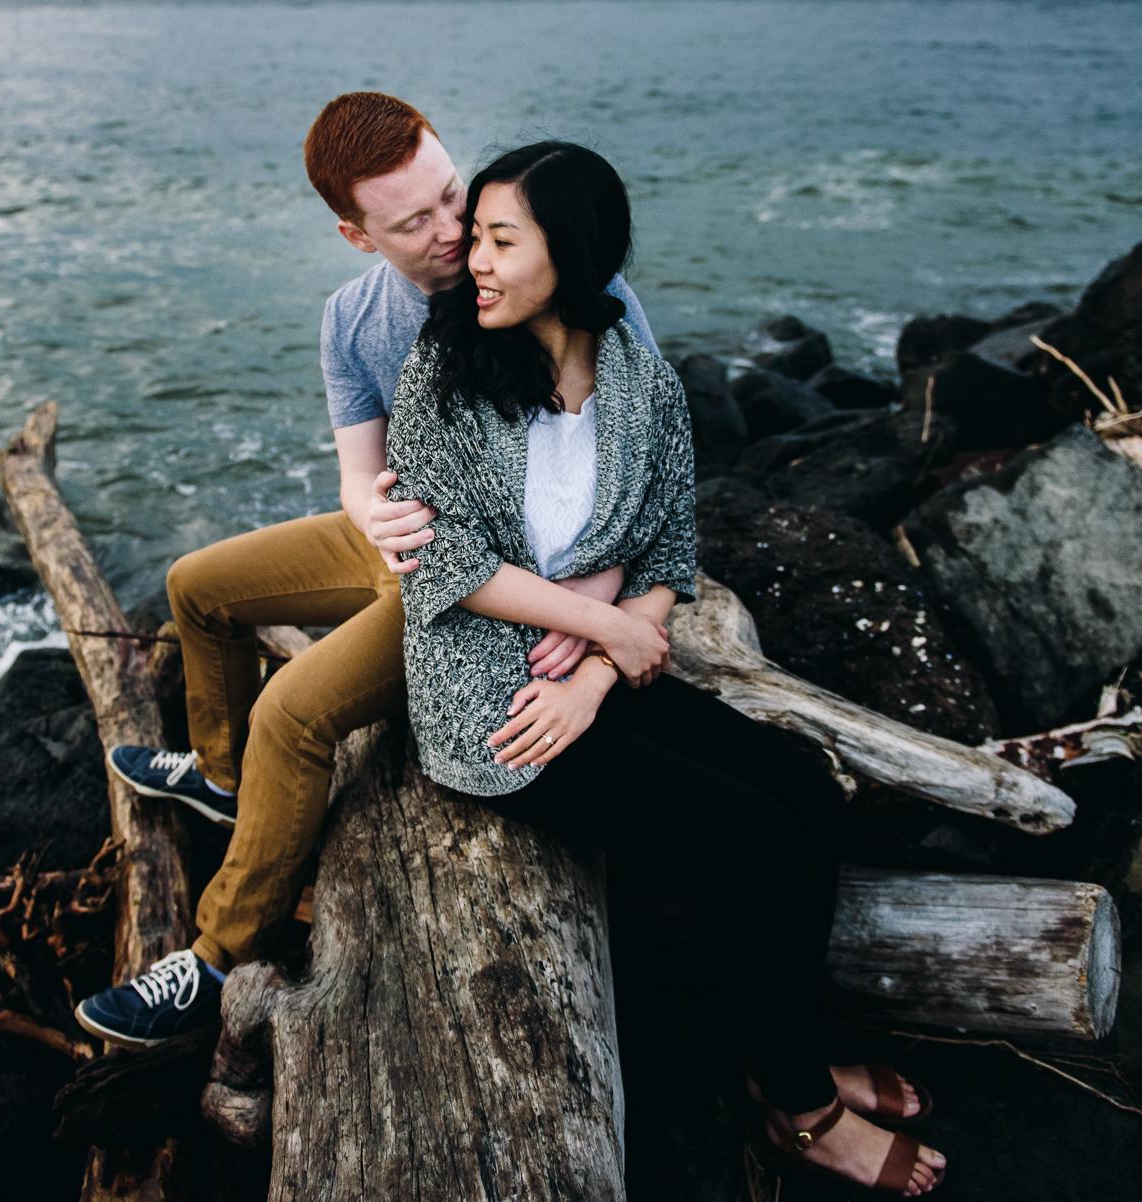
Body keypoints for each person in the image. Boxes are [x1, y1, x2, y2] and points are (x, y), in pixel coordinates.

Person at [384, 140, 948, 1197]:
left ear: (577, 251)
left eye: (505, 240)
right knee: (748, 837)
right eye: (481, 239)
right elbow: (438, 564)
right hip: (492, 706)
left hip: (587, 682)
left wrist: (605, 662)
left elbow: (667, 535)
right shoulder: (444, 369)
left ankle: (787, 1046)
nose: (476, 261)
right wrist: (601, 629)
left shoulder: (636, 370)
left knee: (802, 790)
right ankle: (801, 1108)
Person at [71, 94, 657, 1046]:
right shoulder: (353, 320)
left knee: (292, 713)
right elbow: (356, 474)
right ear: (355, 235)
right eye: (414, 220)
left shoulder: (558, 276)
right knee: (196, 588)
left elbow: (648, 452)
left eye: (451, 193)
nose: (452, 228)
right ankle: (223, 784)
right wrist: (371, 516)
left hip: (484, 585)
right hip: (403, 540)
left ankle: (220, 955)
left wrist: (592, 600)